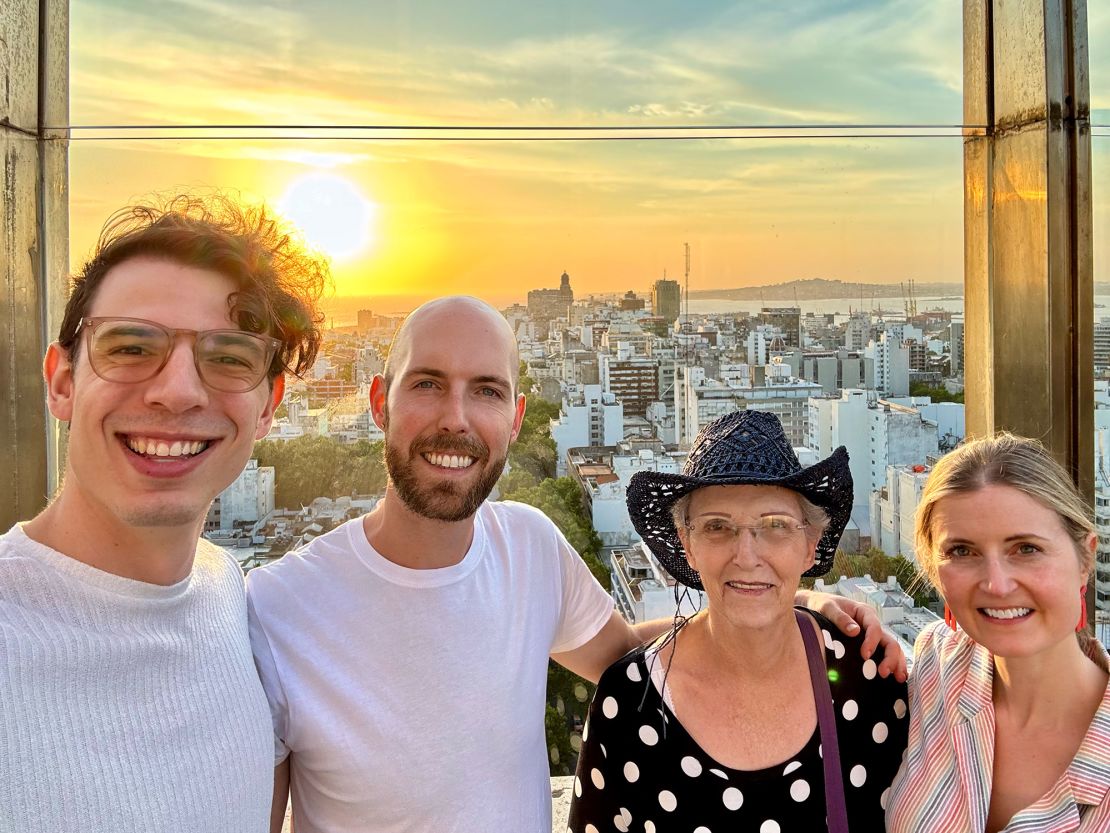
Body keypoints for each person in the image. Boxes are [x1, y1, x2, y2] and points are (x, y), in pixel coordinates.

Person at [246, 296, 905, 833]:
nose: (455, 417)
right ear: (378, 401)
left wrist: (790, 606)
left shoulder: (529, 548)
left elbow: (632, 654)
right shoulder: (277, 608)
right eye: (427, 383)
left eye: (485, 390)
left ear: (515, 418)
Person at [0, 195, 326, 833]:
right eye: (129, 346)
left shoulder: (228, 593)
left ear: (267, 407)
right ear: (61, 381)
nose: (178, 391)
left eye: (229, 357)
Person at [569, 410, 910, 832]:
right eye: (717, 526)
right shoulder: (629, 702)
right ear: (687, 546)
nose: (747, 556)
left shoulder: (868, 677)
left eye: (775, 526)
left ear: (810, 545)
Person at [886, 434, 1110, 832]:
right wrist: (812, 606)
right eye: (962, 551)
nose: (997, 585)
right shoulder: (938, 665)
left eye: (1025, 549)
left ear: (1085, 557)